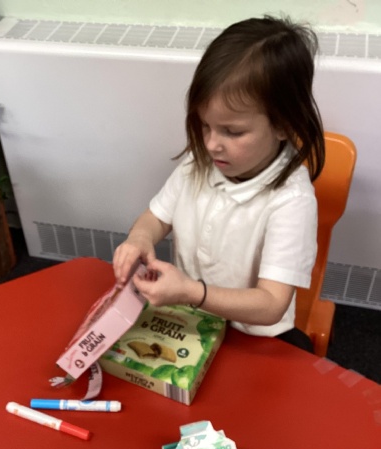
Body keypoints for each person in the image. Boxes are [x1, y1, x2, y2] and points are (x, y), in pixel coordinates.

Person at [112, 16, 325, 352]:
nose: (211, 144)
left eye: (232, 131)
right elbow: (156, 217)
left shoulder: (292, 201)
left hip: (252, 335)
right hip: (188, 318)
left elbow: (272, 303)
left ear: (284, 125)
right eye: (205, 125)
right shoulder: (197, 164)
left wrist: (191, 292)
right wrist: (139, 238)